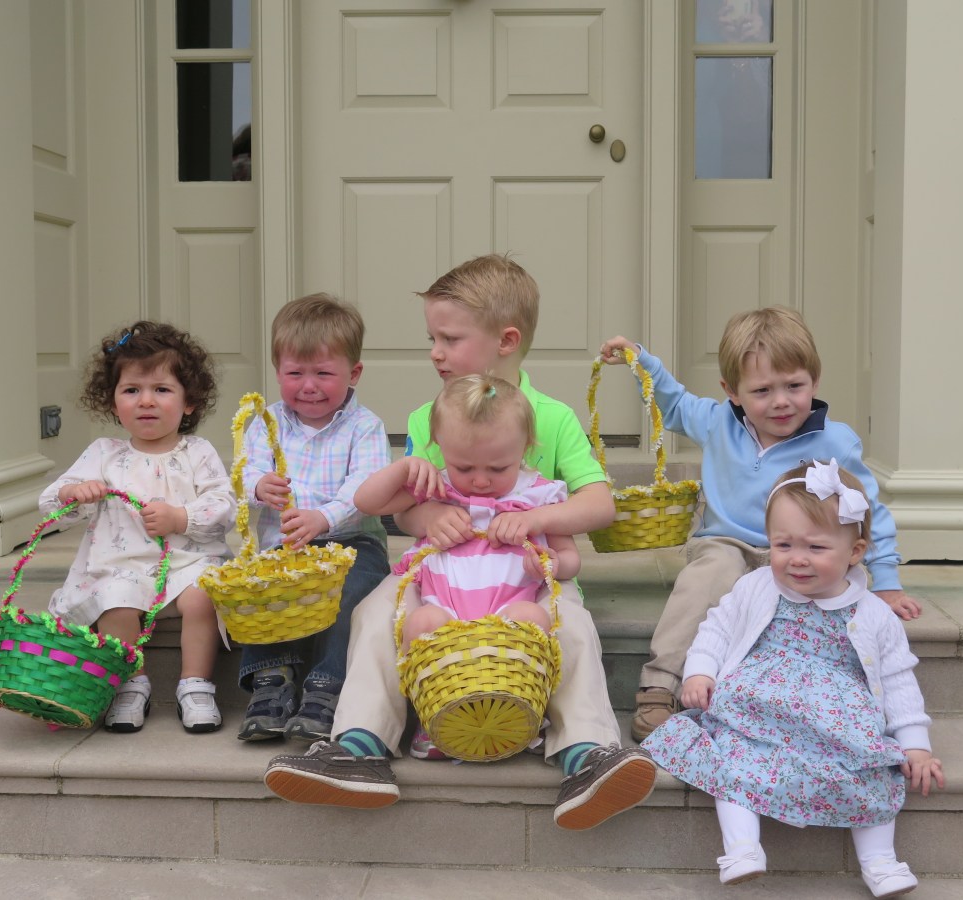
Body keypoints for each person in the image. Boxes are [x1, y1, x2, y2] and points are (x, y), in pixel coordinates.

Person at [263, 253, 657, 830]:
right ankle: (360, 746)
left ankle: (586, 750)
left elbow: (599, 503)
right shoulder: (429, 416)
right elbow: (406, 505)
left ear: (506, 340)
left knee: (571, 623)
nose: (435, 352)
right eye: (433, 338)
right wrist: (429, 517)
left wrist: (534, 519)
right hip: (441, 572)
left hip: (525, 574)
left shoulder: (552, 417)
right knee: (377, 612)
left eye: (449, 338)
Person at [600, 308, 922, 743]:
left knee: (823, 589)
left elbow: (867, 511)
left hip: (798, 550)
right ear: (732, 392)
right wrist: (643, 361)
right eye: (762, 390)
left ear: (815, 381)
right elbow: (673, 404)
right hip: (727, 543)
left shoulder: (836, 441)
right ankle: (662, 683)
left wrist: (886, 581)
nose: (781, 401)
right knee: (711, 575)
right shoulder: (717, 422)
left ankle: (810, 703)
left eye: (794, 386)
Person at [642, 460, 945, 897]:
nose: (797, 559)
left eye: (816, 547)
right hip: (756, 709)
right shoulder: (756, 586)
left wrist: (915, 743)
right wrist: (700, 671)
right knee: (732, 759)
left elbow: (898, 679)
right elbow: (717, 628)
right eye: (783, 544)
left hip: (838, 722)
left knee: (872, 773)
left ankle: (880, 861)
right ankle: (742, 848)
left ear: (855, 552)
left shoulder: (874, 614)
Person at [40, 321, 236, 734]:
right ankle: (131, 683)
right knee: (115, 601)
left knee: (205, 595)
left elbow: (224, 505)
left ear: (189, 402)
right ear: (113, 403)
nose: (146, 401)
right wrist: (75, 493)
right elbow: (51, 503)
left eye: (161, 389)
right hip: (123, 567)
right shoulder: (104, 454)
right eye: (131, 390)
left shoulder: (197, 452)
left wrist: (181, 518)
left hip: (187, 563)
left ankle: (195, 685)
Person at [235, 293, 392, 743]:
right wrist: (257, 485)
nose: (308, 386)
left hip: (351, 544)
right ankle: (271, 680)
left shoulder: (364, 427)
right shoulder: (267, 423)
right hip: (281, 549)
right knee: (260, 591)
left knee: (348, 593)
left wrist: (323, 518)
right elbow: (243, 472)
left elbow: (366, 488)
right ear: (277, 372)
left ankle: (326, 685)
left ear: (353, 373)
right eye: (294, 373)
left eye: (323, 374)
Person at [355, 374, 577, 653]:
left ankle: (511, 679)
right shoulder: (437, 485)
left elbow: (570, 558)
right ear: (440, 446)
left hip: (512, 609)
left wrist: (553, 564)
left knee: (532, 618)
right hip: (441, 609)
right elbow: (366, 503)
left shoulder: (538, 495)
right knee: (421, 621)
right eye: (464, 468)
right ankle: (425, 679)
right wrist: (404, 467)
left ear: (526, 447)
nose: (480, 481)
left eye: (498, 469)